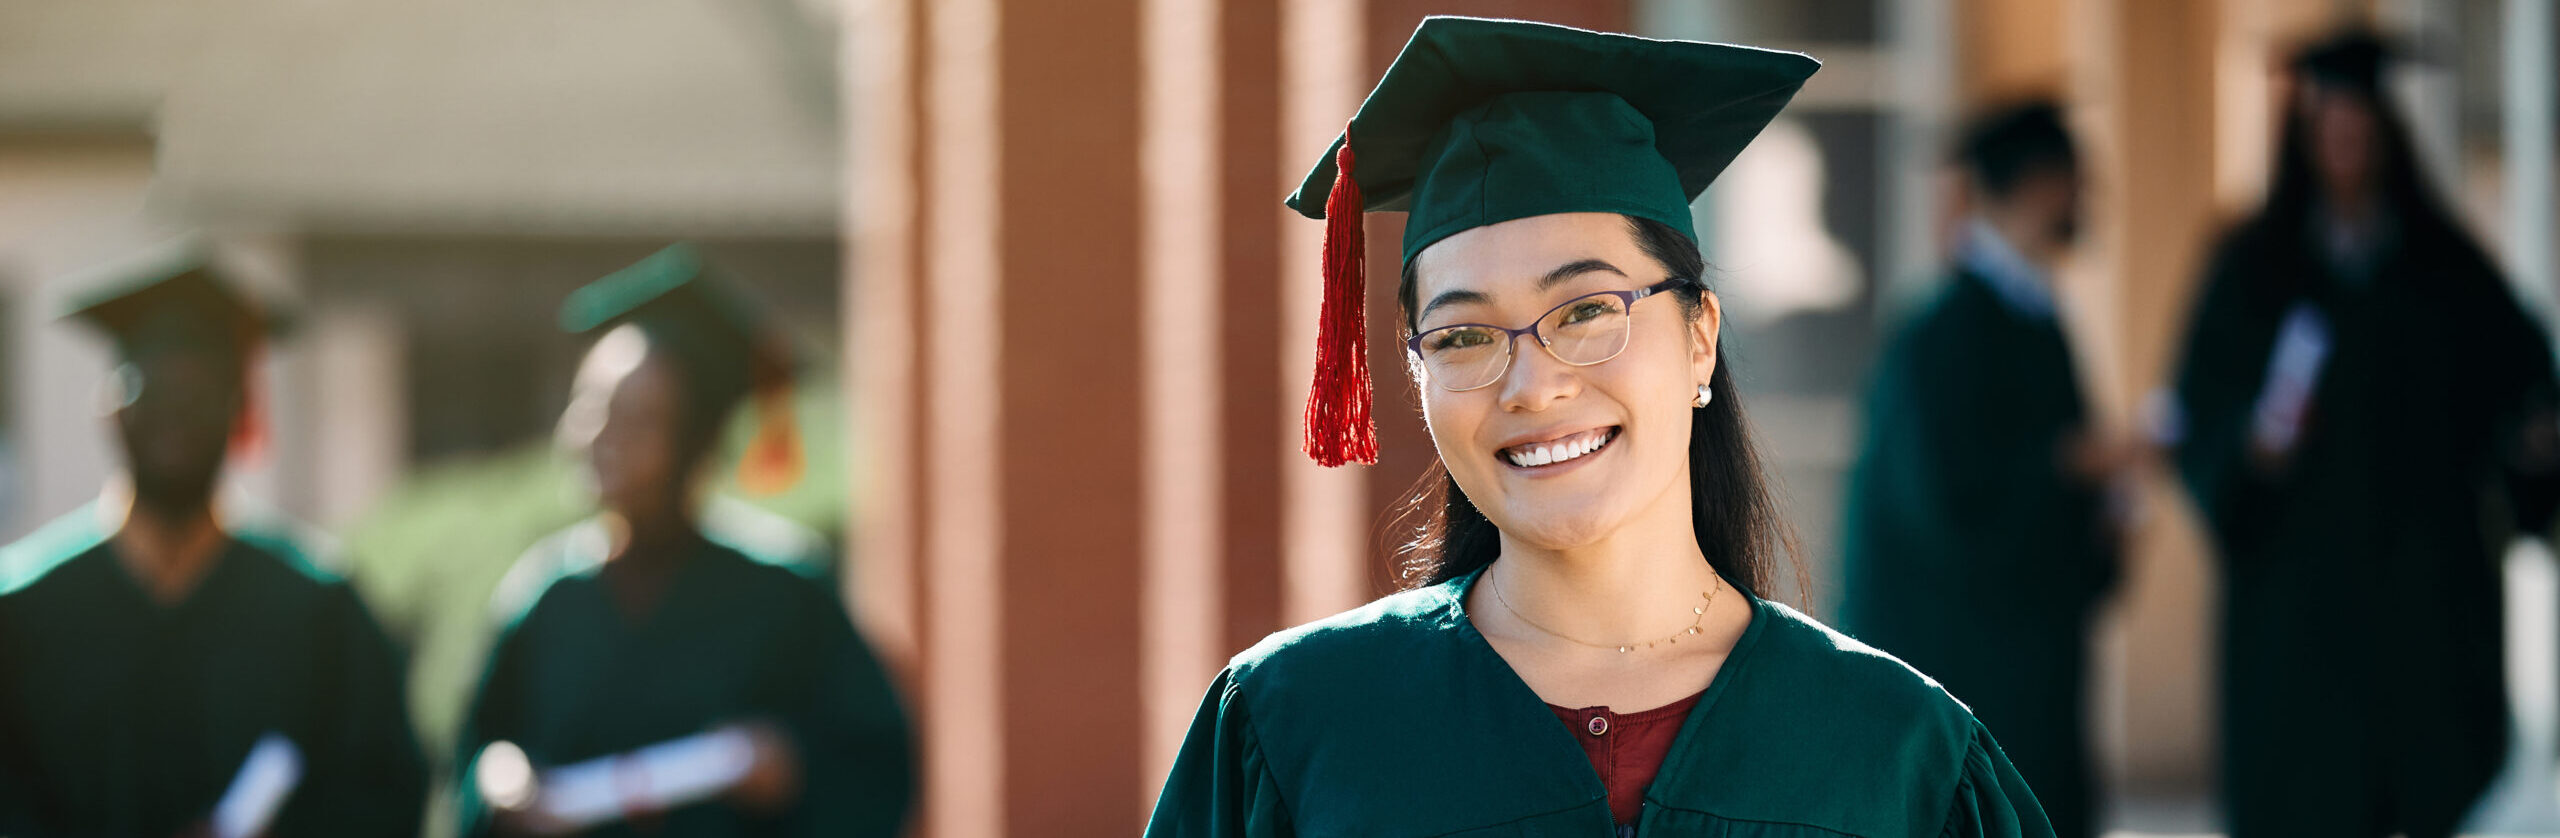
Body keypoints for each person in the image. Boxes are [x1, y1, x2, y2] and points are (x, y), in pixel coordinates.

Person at [1145, 17, 2053, 838]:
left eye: (1586, 311)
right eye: (1463, 335)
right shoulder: (1294, 727)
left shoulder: (1899, 756)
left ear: (1700, 338)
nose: (1533, 386)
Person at [2165, 30, 2560, 838]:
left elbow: (2524, 397)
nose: (2346, 147)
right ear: (2303, 141)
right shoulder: (2249, 269)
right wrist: (2252, 450)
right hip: (2298, 621)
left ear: (2389, 137)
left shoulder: (2446, 267)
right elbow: (2197, 415)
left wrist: (2532, 448)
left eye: (2362, 129)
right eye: (2330, 130)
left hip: (2428, 615)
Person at [454, 244, 914, 838]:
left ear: (695, 443)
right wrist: (497, 783)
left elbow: (876, 770)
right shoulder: (545, 597)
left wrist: (791, 768)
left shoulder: (783, 594)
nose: (601, 437)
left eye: (638, 420)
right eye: (589, 406)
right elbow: (476, 755)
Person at [0, 241, 428, 837]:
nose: (176, 423)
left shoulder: (318, 608)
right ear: (112, 412)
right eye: (155, 397)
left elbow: (383, 795)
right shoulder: (21, 606)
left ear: (237, 417)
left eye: (198, 401)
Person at [1838, 101, 2121, 838]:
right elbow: (1943, 507)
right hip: (1966, 664)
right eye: (2076, 183)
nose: (2087, 202)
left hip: (2022, 661)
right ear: (2040, 187)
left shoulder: (2029, 315)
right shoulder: (1951, 333)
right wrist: (2067, 467)